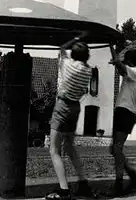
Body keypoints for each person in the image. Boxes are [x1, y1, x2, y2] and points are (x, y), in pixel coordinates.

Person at [46, 36, 95, 200]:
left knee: (54, 150)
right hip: (75, 107)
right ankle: (83, 183)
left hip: (62, 106)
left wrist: (75, 38)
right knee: (70, 147)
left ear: (73, 54)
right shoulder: (88, 70)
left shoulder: (68, 65)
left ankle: (64, 190)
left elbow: (61, 47)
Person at [108, 45, 136, 197]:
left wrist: (117, 60)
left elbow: (122, 69)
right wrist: (116, 61)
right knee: (114, 149)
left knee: (116, 148)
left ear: (129, 61)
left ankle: (119, 184)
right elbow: (121, 69)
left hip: (126, 113)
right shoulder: (131, 75)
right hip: (123, 112)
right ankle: (133, 176)